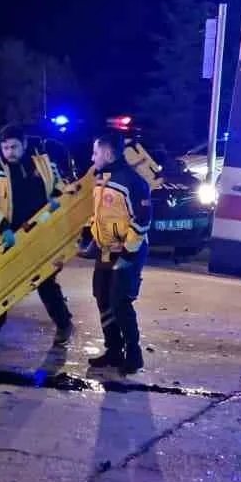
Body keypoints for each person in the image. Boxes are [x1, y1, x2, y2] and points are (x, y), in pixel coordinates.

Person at [0, 125, 74, 350]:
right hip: (7, 240)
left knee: (46, 284)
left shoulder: (44, 163)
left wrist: (57, 199)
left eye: (14, 147)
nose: (9, 152)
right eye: (5, 148)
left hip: (40, 236)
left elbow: (60, 186)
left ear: (25, 144)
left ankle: (64, 325)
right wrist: (4, 228)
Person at [82, 130, 152, 375]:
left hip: (127, 253)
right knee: (103, 299)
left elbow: (142, 220)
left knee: (120, 302)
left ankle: (134, 355)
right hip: (105, 251)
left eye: (96, 153)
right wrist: (94, 242)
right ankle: (113, 350)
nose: (92, 158)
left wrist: (128, 253)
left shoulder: (132, 182)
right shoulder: (102, 179)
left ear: (109, 154)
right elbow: (102, 216)